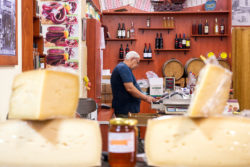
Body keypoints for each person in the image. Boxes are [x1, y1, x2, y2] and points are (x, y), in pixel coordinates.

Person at [111, 51, 156, 117]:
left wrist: (146, 95)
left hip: (127, 110)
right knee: (129, 127)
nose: (137, 66)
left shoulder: (124, 68)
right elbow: (130, 88)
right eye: (137, 63)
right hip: (125, 111)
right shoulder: (123, 68)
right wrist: (146, 98)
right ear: (132, 59)